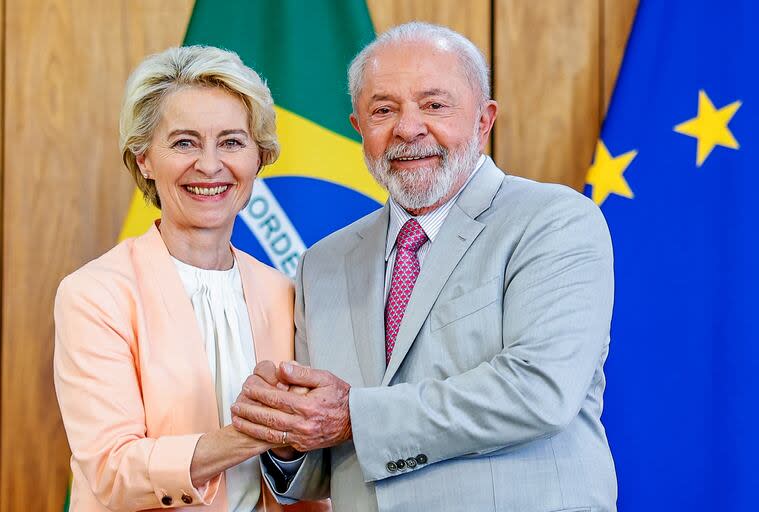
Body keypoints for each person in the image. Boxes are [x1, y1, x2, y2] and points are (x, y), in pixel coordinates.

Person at [231, 22, 618, 512]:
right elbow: (331, 466)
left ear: (484, 120)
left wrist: (353, 415)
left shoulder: (553, 221)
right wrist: (288, 435)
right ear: (358, 128)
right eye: (383, 110)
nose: (408, 128)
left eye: (434, 105)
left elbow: (539, 391)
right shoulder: (321, 264)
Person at [53, 46, 327, 512]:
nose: (210, 165)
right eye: (184, 142)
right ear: (144, 160)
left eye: (232, 142)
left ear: (258, 158)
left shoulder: (284, 293)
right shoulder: (95, 295)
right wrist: (250, 434)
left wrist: (291, 443)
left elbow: (308, 470)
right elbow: (112, 470)